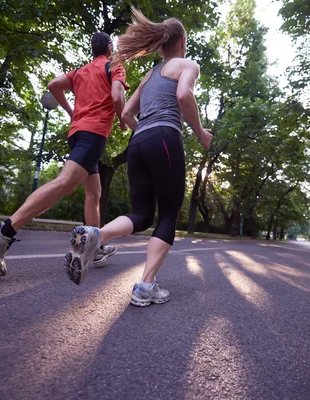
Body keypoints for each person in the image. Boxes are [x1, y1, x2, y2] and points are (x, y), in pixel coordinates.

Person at [64, 8, 213, 307]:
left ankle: (97, 235)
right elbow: (184, 96)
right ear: (182, 41)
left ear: (159, 46)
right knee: (168, 214)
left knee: (143, 214)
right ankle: (146, 286)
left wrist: (144, 131)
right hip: (165, 138)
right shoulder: (187, 65)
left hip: (138, 142)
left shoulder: (149, 75)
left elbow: (127, 113)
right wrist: (200, 133)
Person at [0, 32, 130, 276]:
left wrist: (72, 113)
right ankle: (3, 232)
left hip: (77, 133)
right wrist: (123, 120)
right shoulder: (115, 66)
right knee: (64, 184)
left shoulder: (80, 72)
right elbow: (116, 96)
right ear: (110, 48)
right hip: (93, 134)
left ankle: (95, 244)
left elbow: (53, 85)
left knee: (94, 192)